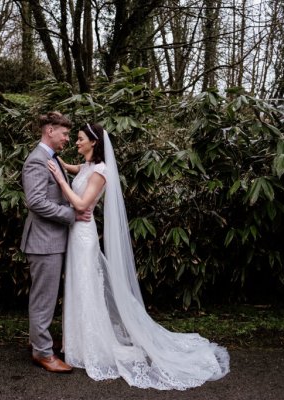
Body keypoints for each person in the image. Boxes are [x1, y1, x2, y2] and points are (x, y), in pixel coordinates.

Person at [47, 122, 230, 389]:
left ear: (94, 142)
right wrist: (58, 160)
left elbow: (82, 204)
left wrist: (61, 180)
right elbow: (76, 171)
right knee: (77, 286)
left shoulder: (101, 170)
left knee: (87, 287)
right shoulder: (87, 167)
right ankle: (76, 342)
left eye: (80, 138)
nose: (76, 142)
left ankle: (91, 346)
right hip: (74, 235)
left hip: (83, 234)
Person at [20, 111, 91, 373]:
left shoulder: (52, 158)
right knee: (44, 297)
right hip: (43, 241)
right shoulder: (37, 161)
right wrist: (72, 214)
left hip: (52, 240)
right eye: (64, 134)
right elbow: (36, 202)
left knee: (46, 296)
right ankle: (42, 352)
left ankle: (39, 340)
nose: (67, 138)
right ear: (50, 131)